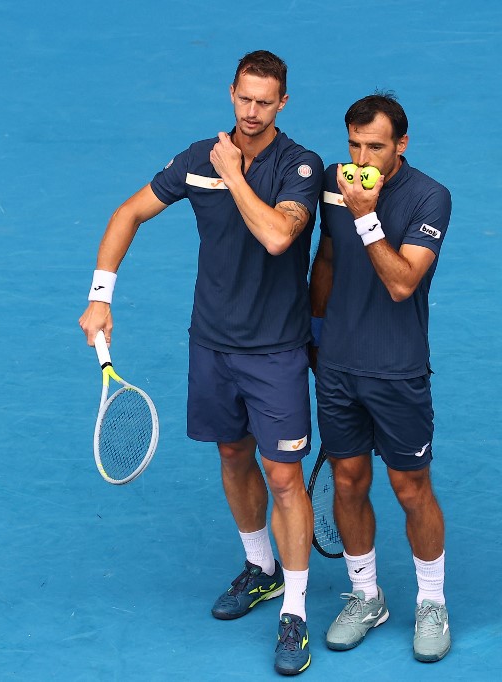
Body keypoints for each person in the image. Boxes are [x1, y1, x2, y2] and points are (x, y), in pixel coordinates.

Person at [79, 50, 322, 676]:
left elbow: (276, 237)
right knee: (233, 456)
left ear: (283, 104)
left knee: (285, 477)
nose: (250, 111)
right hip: (211, 344)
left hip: (275, 351)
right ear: (232, 92)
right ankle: (260, 568)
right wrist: (100, 298)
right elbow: (127, 213)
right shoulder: (196, 159)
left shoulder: (301, 166)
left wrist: (234, 175)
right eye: (243, 98)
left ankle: (294, 610)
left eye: (264, 101)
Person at [308, 93, 453, 662]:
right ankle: (366, 595)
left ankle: (432, 601)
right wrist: (314, 335)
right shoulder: (331, 180)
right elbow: (327, 257)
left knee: (410, 488)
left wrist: (364, 213)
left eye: (375, 146)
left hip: (396, 370)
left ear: (401, 145)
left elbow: (401, 282)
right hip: (338, 367)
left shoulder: (429, 197)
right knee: (347, 482)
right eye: (354, 145)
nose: (361, 158)